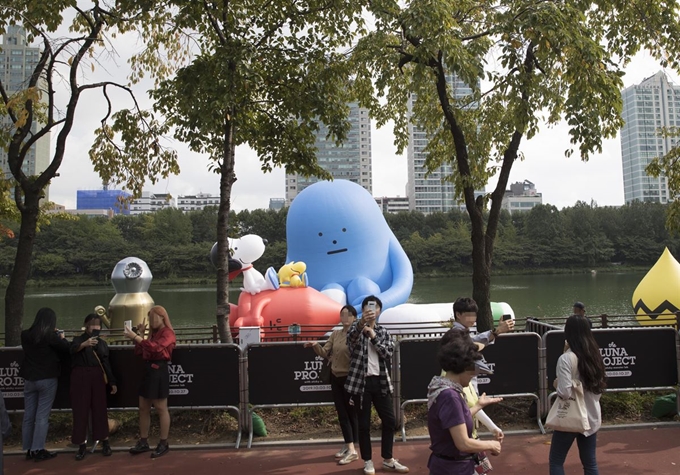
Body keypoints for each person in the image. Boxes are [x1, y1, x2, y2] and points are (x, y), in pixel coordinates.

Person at [345, 296, 409, 475]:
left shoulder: (382, 332)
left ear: (379, 311)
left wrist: (373, 337)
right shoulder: (355, 330)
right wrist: (361, 325)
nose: (371, 310)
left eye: (374, 308)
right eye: (367, 307)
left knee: (390, 420)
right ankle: (368, 461)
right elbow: (351, 341)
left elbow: (387, 353)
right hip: (360, 383)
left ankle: (388, 459)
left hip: (380, 382)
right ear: (363, 311)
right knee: (363, 424)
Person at [427, 329, 502, 475]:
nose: (474, 374)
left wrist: (478, 406)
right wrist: (491, 444)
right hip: (454, 468)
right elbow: (463, 443)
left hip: (451, 466)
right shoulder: (450, 396)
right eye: (472, 369)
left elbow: (454, 420)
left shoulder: (441, 386)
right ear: (463, 366)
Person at [549, 314, 606, 475]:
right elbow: (599, 388)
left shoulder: (566, 358)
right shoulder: (596, 356)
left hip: (570, 416)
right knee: (590, 463)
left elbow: (565, 392)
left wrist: (557, 384)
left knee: (556, 461)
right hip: (591, 415)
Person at [304, 305, 359, 465]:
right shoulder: (335, 334)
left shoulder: (357, 336)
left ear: (354, 318)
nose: (345, 317)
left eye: (349, 315)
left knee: (351, 414)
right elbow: (324, 352)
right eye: (342, 314)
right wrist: (315, 345)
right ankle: (349, 446)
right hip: (336, 378)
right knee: (342, 413)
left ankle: (352, 448)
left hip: (351, 379)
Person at [124, 305, 176, 458]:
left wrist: (136, 337)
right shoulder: (153, 334)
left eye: (155, 317)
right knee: (143, 407)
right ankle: (143, 441)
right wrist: (141, 335)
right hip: (148, 371)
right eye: (150, 317)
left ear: (162, 317)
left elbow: (155, 349)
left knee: (161, 407)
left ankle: (163, 442)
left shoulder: (168, 333)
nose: (152, 321)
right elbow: (140, 351)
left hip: (159, 370)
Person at [20, 307, 70, 462]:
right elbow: (66, 349)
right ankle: (38, 449)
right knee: (42, 415)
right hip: (47, 378)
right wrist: (61, 337)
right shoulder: (50, 337)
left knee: (29, 415)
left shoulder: (25, 335)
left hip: (29, 379)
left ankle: (28, 449)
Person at [70, 313, 118, 461]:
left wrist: (112, 382)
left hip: (97, 377)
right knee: (81, 410)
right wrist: (84, 345)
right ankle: (81, 444)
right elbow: (70, 351)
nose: (95, 327)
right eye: (92, 324)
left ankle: (104, 441)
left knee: (100, 408)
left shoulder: (102, 343)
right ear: (86, 325)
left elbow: (106, 363)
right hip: (80, 376)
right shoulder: (78, 340)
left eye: (98, 324)